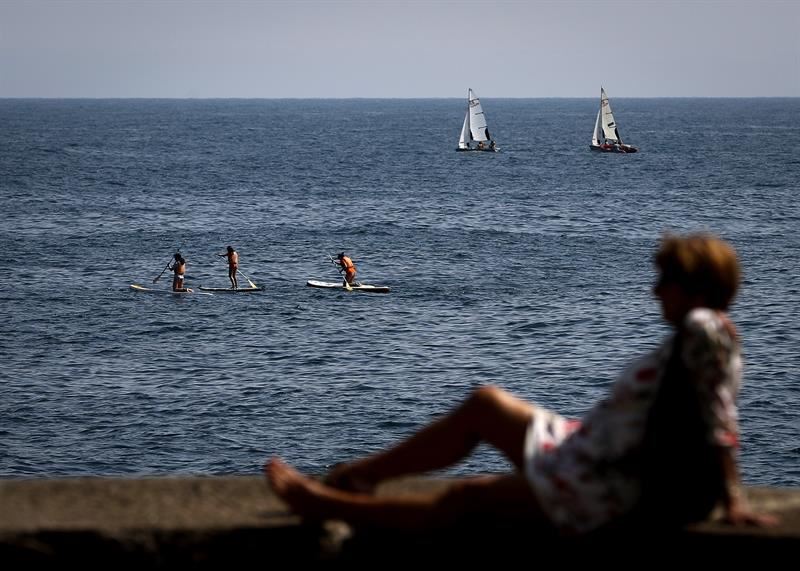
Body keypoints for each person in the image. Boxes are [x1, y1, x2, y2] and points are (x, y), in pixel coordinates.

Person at [265, 233, 779, 533]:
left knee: (468, 499)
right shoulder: (701, 332)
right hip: (592, 448)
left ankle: (331, 506)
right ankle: (359, 474)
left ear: (692, 287)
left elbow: (718, 418)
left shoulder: (704, 329)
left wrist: (730, 498)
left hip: (618, 483)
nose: (653, 290)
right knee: (485, 404)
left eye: (663, 279)